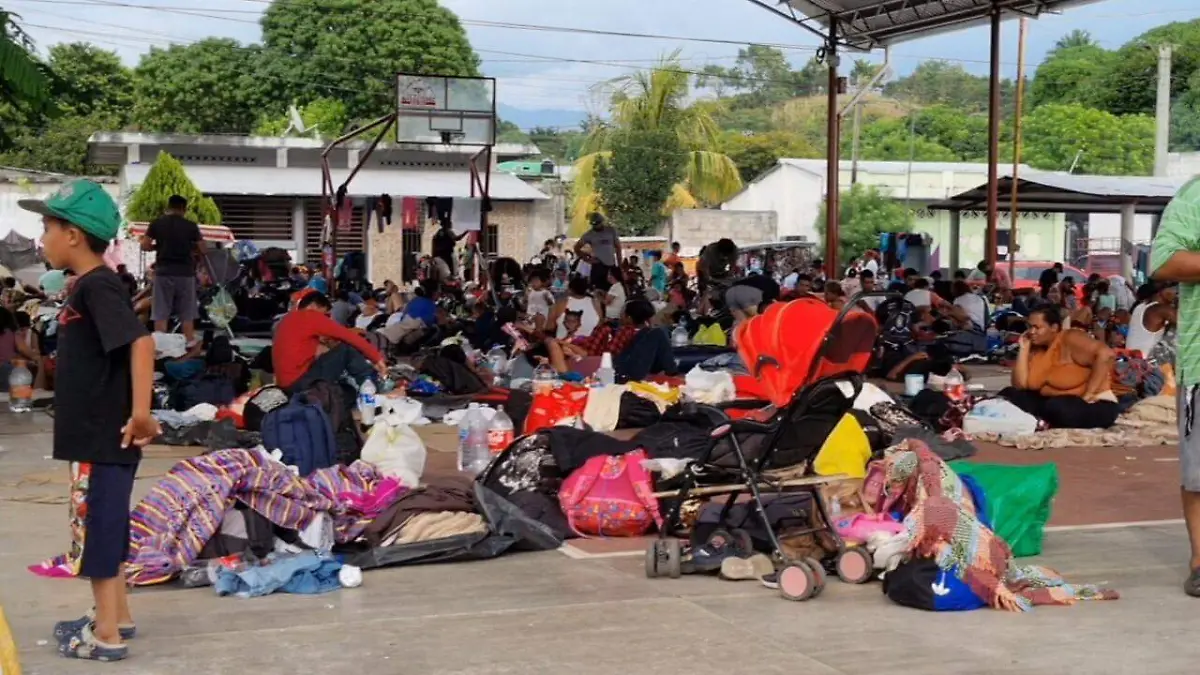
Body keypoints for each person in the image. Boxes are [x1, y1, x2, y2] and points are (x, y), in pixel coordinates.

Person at [21, 179, 158, 662]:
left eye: (47, 227)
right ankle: (118, 615)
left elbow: (141, 344)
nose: (43, 238)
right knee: (109, 527)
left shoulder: (97, 285)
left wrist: (141, 414)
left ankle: (106, 637)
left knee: (96, 531)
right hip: (101, 436)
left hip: (103, 436)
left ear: (74, 234)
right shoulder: (94, 286)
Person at [998, 306, 1121, 430]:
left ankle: (1041, 418)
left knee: (1057, 407)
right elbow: (1021, 385)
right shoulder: (1035, 348)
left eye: (1037, 327)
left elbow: (1107, 354)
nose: (1031, 332)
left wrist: (1089, 394)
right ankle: (1042, 419)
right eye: (1030, 327)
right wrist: (1023, 349)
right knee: (1009, 394)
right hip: (1051, 403)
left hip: (1093, 404)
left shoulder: (1070, 338)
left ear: (1054, 327)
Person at [273, 291, 386, 393]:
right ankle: (373, 389)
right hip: (300, 383)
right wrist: (377, 359)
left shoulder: (288, 319)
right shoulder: (310, 316)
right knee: (346, 349)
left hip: (286, 385)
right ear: (313, 306)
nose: (326, 318)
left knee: (348, 391)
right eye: (324, 314)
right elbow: (350, 337)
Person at [140, 195, 202, 345]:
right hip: (186, 273)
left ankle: (161, 348)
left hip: (163, 272)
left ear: (169, 206)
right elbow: (203, 249)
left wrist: (158, 247)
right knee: (187, 313)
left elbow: (145, 245)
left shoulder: (157, 223)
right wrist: (190, 249)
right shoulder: (191, 226)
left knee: (161, 312)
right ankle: (189, 345)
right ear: (183, 209)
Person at [614, 299, 677, 383]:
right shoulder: (652, 335)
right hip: (630, 377)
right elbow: (668, 362)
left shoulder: (619, 332)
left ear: (629, 318)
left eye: (622, 313)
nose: (620, 315)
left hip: (619, 374)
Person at [1127, 282, 1177, 361]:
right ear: (1162, 291)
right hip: (1146, 363)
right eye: (1173, 289)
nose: (1176, 293)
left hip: (1131, 359)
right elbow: (1187, 322)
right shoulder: (1160, 309)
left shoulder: (1140, 306)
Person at [575, 212, 622, 290]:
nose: (595, 226)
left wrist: (620, 265)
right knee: (597, 290)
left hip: (611, 265)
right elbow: (576, 248)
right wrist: (587, 259)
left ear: (602, 222)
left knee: (613, 290)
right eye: (593, 224)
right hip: (598, 266)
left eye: (597, 224)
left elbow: (618, 247)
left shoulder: (611, 231)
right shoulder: (589, 235)